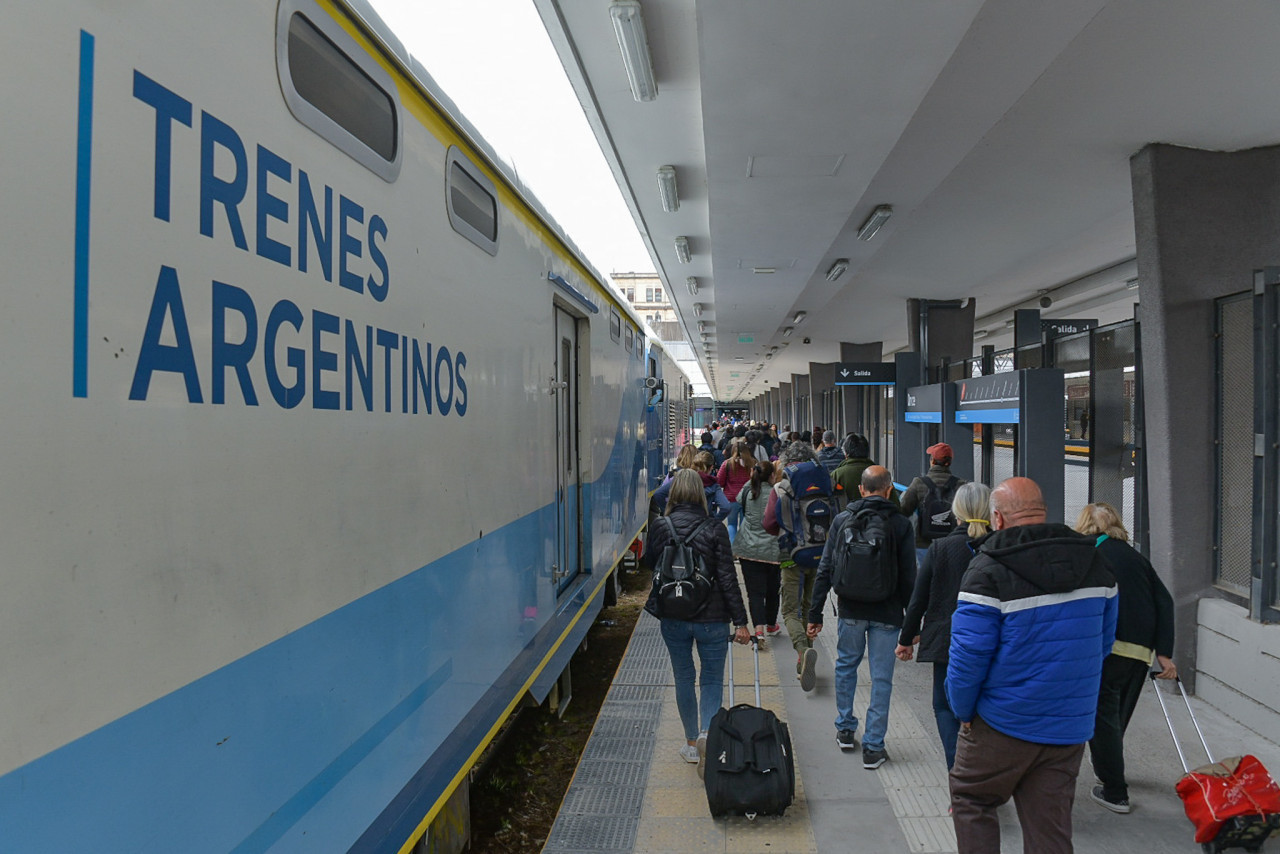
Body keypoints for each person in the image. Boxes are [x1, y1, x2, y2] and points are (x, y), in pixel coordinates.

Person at [947, 477, 1117, 854]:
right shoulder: (1096, 563)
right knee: (1050, 823)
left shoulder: (987, 570)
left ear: (998, 519)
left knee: (972, 800)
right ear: (1042, 510)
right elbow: (1103, 644)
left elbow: (967, 658)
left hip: (1003, 719)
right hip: (1070, 722)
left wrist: (963, 709)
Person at [806, 465, 916, 769]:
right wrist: (912, 624)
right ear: (889, 490)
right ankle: (873, 747)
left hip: (851, 609)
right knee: (882, 679)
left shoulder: (842, 520)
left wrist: (815, 612)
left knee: (846, 666)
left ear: (861, 490)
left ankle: (844, 728)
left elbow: (826, 568)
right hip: (888, 613)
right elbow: (909, 577)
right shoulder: (900, 524)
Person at [643, 469, 751, 773]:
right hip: (713, 618)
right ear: (703, 495)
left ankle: (691, 744)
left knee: (684, 677)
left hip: (673, 615)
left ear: (674, 493)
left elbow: (650, 563)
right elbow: (728, 579)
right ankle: (708, 737)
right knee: (712, 679)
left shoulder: (661, 526)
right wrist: (741, 622)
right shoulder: (715, 528)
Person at [1074, 502, 1177, 814]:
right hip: (1139, 652)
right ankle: (1108, 762)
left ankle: (1115, 791)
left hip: (1108, 647)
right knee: (1115, 718)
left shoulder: (1090, 554)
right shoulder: (1136, 558)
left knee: (1102, 717)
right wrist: (1165, 653)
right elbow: (1165, 601)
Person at [895, 482, 992, 770]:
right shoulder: (1001, 546)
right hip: (992, 643)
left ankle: (959, 773)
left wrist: (906, 637)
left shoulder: (942, 547)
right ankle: (988, 772)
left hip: (947, 642)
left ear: (956, 512)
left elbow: (919, 599)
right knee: (985, 708)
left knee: (945, 706)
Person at [763, 441, 822, 691]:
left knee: (789, 611)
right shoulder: (823, 482)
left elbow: (768, 523)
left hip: (791, 555)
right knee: (808, 606)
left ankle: (801, 649)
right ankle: (804, 659)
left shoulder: (781, 486)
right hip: (819, 554)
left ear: (786, 462)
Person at [732, 460, 784, 642]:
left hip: (748, 548)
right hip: (772, 549)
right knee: (772, 589)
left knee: (754, 592)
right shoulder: (776, 493)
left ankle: (759, 631)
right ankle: (771, 624)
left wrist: (751, 479)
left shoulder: (748, 490)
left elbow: (738, 501)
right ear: (771, 475)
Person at [900, 442, 967, 564]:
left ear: (932, 461)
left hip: (924, 543)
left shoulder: (919, 483)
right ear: (949, 462)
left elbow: (903, 510)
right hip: (952, 542)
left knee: (925, 577)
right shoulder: (961, 485)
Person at [831, 433, 901, 512]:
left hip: (846, 522)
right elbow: (896, 506)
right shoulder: (880, 474)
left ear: (846, 454)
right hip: (880, 521)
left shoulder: (837, 475)